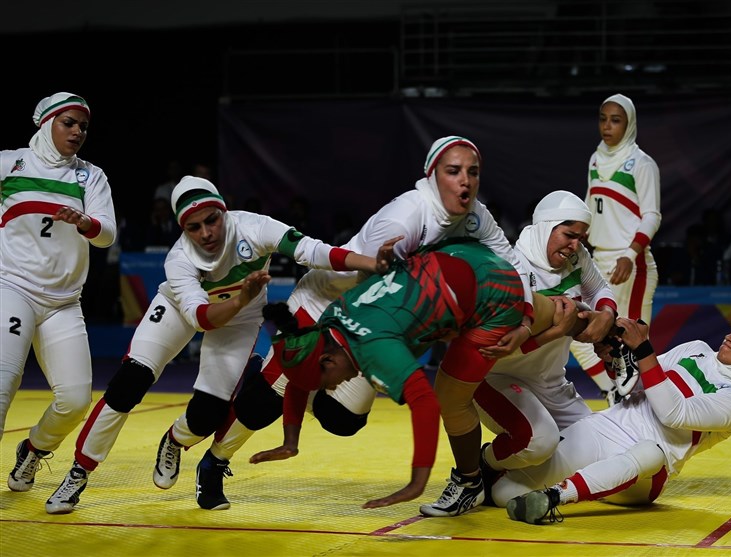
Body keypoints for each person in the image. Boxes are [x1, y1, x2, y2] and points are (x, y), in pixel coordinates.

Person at [192, 135, 536, 513]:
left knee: (343, 420)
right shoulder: (404, 218)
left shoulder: (475, 216)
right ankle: (215, 462)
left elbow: (511, 263)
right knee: (265, 402)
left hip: (376, 319)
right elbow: (374, 290)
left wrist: (526, 317)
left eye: (473, 172)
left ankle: (295, 379)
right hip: (328, 303)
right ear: (432, 175)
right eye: (453, 171)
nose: (465, 181)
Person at [44, 175, 389, 514]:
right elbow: (200, 319)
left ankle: (175, 439)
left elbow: (313, 251)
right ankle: (78, 472)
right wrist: (240, 300)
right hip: (183, 310)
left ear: (225, 211)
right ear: (183, 229)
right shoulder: (179, 259)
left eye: (212, 220)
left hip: (239, 319)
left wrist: (372, 264)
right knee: (129, 382)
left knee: (207, 415)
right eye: (193, 227)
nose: (206, 233)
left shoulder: (255, 227)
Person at [249, 239, 528, 511]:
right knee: (428, 329)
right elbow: (300, 380)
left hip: (498, 289)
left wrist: (416, 483)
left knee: (451, 400)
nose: (334, 387)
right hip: (460, 254)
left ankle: (469, 482)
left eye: (326, 385)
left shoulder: (377, 348)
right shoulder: (332, 319)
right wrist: (291, 441)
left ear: (328, 360)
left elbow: (426, 405)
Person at [492, 314, 731, 525]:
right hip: (606, 428)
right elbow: (633, 383)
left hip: (647, 473)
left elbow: (673, 413)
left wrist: (643, 349)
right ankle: (490, 476)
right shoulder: (696, 348)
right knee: (505, 490)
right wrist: (616, 359)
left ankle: (555, 497)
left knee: (650, 452)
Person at [1, 93, 117, 490]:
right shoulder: (8, 164)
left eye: (83, 126)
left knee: (75, 401)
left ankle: (34, 449)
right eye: (69, 122)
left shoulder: (90, 176)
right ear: (46, 122)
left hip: (63, 301)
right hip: (12, 286)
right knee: (2, 382)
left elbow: (107, 234)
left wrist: (86, 222)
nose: (78, 131)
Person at [474, 191, 617, 486]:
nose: (576, 245)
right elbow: (498, 348)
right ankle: (478, 468)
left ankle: (513, 479)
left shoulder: (577, 256)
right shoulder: (510, 266)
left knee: (601, 449)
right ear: (545, 227)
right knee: (540, 442)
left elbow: (600, 288)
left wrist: (606, 314)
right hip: (497, 379)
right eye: (569, 235)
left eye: (580, 237)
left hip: (550, 383)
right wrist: (560, 329)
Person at [570, 93, 662, 402]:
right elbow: (590, 205)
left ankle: (641, 408)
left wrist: (630, 254)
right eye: (603, 119)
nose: (607, 126)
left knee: (630, 341)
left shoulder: (642, 163)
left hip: (630, 262)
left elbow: (652, 215)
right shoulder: (595, 158)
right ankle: (613, 392)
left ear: (630, 123)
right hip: (597, 259)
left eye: (616, 120)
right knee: (578, 332)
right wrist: (577, 235)